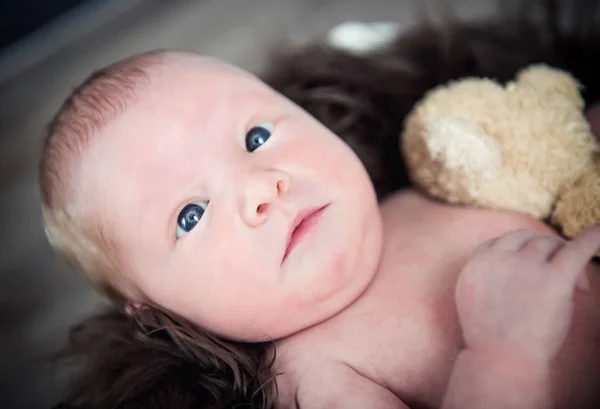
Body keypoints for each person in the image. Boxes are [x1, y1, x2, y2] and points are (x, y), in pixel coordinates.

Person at [44, 1, 600, 408]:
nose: (261, 187)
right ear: (159, 317)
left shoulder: (417, 188)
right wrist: (505, 354)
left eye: (256, 137)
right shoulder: (315, 375)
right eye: (190, 216)